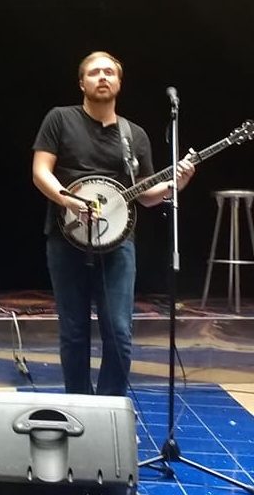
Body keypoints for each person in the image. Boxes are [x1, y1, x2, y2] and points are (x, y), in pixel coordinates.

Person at [32, 51, 195, 396]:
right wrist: (68, 200)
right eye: (94, 72)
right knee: (74, 332)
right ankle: (79, 407)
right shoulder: (60, 119)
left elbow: (146, 195)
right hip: (67, 238)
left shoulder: (133, 134)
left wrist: (174, 185)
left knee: (119, 332)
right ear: (82, 83)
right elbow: (40, 171)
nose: (102, 77)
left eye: (109, 72)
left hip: (119, 242)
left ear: (119, 82)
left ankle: (110, 410)